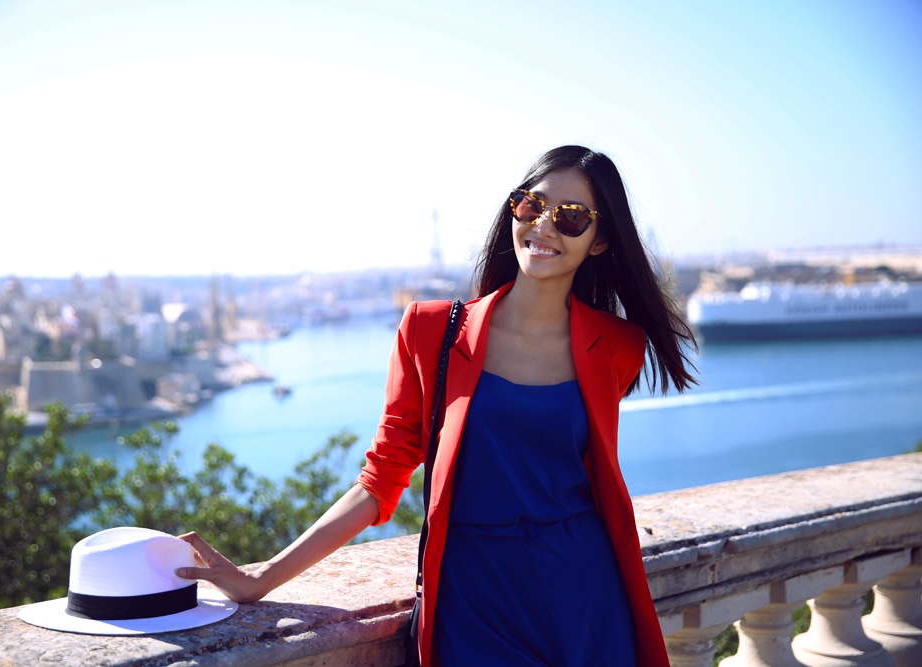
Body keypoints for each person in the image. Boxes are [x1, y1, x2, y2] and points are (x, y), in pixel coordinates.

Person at [177, 145, 697, 666]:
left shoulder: (618, 346)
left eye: (572, 217)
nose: (544, 225)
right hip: (475, 600)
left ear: (600, 239)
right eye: (532, 205)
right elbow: (380, 480)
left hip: (585, 595)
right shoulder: (430, 332)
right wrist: (262, 578)